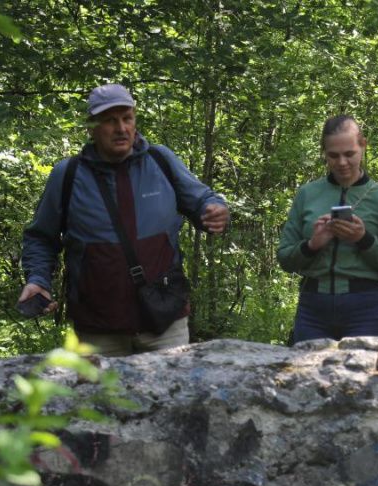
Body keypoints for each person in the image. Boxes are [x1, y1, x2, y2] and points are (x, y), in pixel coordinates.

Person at [19, 84, 229, 356]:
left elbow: (202, 200)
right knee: (100, 387)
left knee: (169, 384)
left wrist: (214, 210)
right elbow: (41, 237)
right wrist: (38, 279)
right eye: (110, 121)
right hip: (97, 325)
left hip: (164, 320)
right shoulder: (68, 174)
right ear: (92, 127)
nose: (121, 128)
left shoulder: (160, 161)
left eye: (127, 118)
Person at [277, 115, 378, 343]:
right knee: (308, 366)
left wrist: (364, 239)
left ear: (363, 146)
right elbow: (285, 259)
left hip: (365, 306)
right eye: (333, 155)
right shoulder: (308, 194)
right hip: (313, 306)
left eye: (349, 154)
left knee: (367, 367)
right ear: (324, 153)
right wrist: (312, 245)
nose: (342, 162)